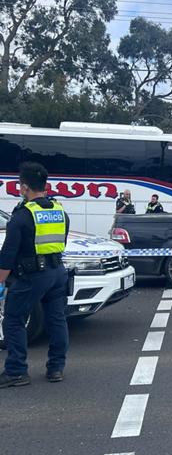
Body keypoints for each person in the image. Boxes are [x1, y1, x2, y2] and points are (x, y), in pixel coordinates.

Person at [0, 162, 70, 388]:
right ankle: (56, 368)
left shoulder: (22, 216)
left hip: (32, 276)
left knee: (13, 319)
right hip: (58, 272)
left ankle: (16, 371)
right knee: (57, 319)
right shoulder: (60, 211)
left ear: (24, 188)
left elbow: (8, 255)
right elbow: (62, 242)